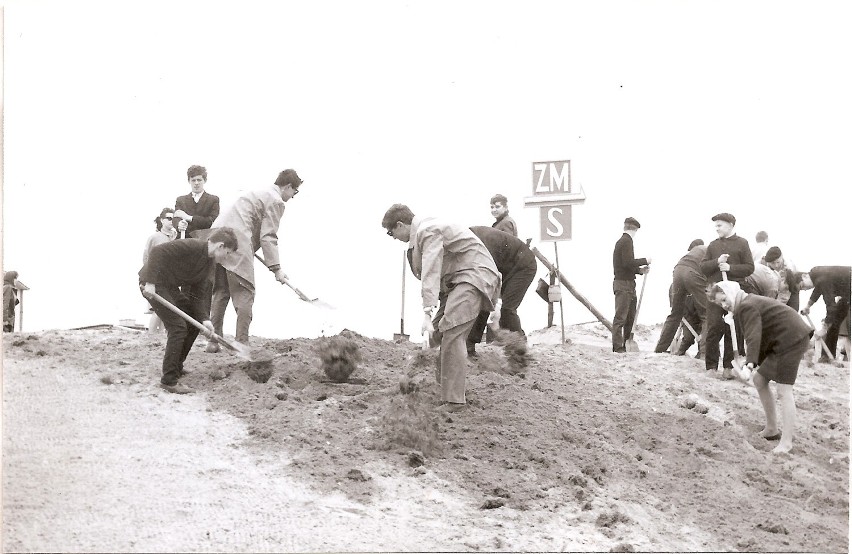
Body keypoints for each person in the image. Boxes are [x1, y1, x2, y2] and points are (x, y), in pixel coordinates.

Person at [383, 204, 500, 411]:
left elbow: (431, 268)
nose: (393, 238)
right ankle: (443, 388)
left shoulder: (428, 230)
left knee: (452, 333)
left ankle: (454, 400)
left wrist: (427, 313)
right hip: (457, 282)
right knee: (435, 335)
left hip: (472, 277)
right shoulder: (427, 228)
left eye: (391, 233)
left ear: (400, 225)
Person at [709, 280, 811, 454]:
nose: (725, 305)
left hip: (792, 338)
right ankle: (772, 429)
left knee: (784, 390)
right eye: (721, 304)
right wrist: (753, 363)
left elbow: (753, 337)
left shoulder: (747, 306)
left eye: (725, 299)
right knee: (760, 380)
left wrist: (749, 365)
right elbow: (762, 336)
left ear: (732, 292)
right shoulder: (746, 304)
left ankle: (786, 442)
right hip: (781, 339)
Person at [205, 169, 302, 350]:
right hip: (236, 240)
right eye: (294, 193)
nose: (292, 197)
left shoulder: (259, 193)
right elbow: (268, 236)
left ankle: (213, 341)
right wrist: (277, 268)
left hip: (215, 237)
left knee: (221, 291)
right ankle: (242, 343)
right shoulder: (276, 201)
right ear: (288, 186)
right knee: (245, 292)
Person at [139, 227, 238, 394]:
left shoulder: (208, 265)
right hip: (153, 285)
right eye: (227, 253)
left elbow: (198, 296)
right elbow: (157, 251)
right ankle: (169, 380)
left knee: (194, 323)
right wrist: (150, 282)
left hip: (169, 287)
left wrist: (205, 320)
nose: (226, 258)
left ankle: (176, 366)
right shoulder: (191, 246)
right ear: (220, 246)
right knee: (178, 327)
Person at [466, 226, 538, 356]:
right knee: (483, 300)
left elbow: (492, 276)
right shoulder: (469, 242)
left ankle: (521, 350)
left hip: (523, 266)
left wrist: (497, 303)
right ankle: (470, 345)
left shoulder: (485, 243)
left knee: (507, 309)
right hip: (506, 267)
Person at [700, 213, 754, 378]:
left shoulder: (742, 243)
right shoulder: (712, 245)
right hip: (716, 293)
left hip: (734, 293)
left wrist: (730, 268)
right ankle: (711, 367)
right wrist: (717, 262)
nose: (717, 229)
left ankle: (729, 367)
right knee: (714, 327)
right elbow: (703, 267)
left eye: (720, 225)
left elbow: (749, 267)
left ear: (730, 225)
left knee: (734, 329)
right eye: (715, 226)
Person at [654, 239, 708, 355]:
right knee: (707, 315)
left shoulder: (692, 253)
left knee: (675, 314)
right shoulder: (710, 251)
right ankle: (705, 354)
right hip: (692, 273)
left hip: (678, 270)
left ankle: (659, 350)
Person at [611, 217, 651, 353]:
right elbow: (628, 262)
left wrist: (640, 270)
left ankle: (626, 344)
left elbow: (625, 265)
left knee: (629, 317)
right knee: (621, 317)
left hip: (626, 283)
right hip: (623, 285)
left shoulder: (622, 242)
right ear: (634, 229)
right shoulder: (626, 241)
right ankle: (618, 347)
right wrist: (644, 260)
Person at [798, 266, 852, 359]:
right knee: (834, 321)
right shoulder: (818, 274)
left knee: (834, 319)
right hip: (847, 294)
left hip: (848, 292)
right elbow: (818, 291)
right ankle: (827, 357)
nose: (806, 289)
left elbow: (831, 306)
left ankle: (827, 357)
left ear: (804, 276)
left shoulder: (821, 278)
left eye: (803, 286)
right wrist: (808, 306)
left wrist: (824, 329)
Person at [143, 208, 178, 334]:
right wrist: (149, 277)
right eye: (168, 218)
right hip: (156, 277)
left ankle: (161, 338)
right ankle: (151, 337)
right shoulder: (154, 237)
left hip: (170, 278)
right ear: (162, 220)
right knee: (157, 310)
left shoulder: (175, 237)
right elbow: (146, 257)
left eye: (173, 218)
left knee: (168, 310)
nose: (171, 221)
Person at [174, 165, 220, 240]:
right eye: (193, 180)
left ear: (205, 180)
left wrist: (189, 218)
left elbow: (212, 221)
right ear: (189, 181)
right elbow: (176, 218)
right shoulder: (180, 200)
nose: (196, 183)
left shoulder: (213, 200)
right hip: (185, 241)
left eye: (199, 180)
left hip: (204, 241)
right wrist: (179, 224)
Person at [763, 246, 799, 311]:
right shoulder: (763, 262)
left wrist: (774, 309)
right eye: (773, 263)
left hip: (790, 287)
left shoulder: (789, 268)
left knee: (792, 311)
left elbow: (784, 295)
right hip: (774, 286)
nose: (776, 265)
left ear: (781, 257)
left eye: (778, 262)